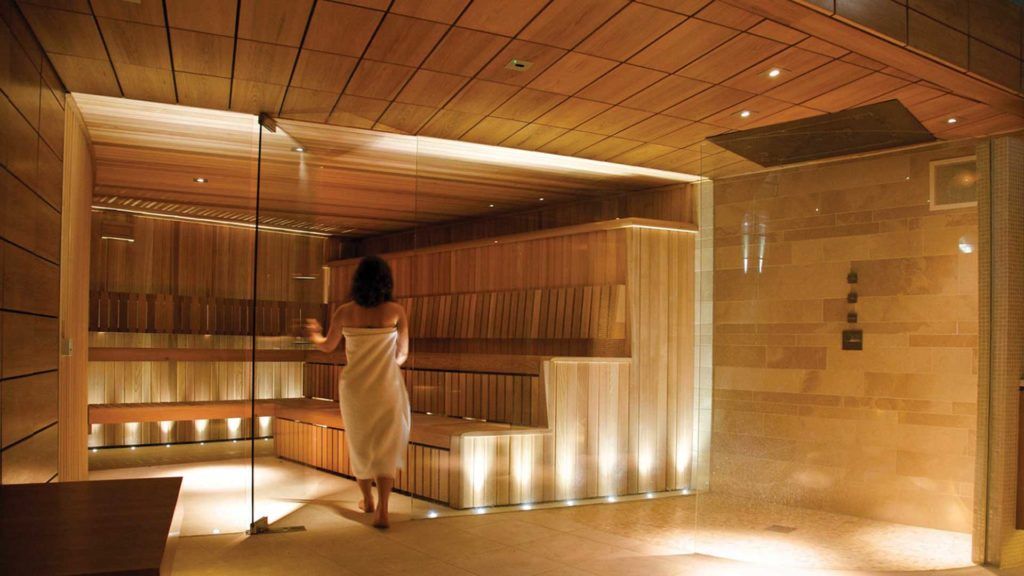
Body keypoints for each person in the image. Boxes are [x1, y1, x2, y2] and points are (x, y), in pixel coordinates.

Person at [303, 256, 410, 529]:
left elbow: (328, 346)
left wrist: (314, 334)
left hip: (355, 388)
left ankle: (367, 500)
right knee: (386, 444)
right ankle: (383, 509)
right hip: (386, 386)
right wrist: (385, 367)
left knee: (359, 441)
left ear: (357, 281)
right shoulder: (395, 311)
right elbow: (403, 353)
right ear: (386, 281)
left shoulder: (345, 312)